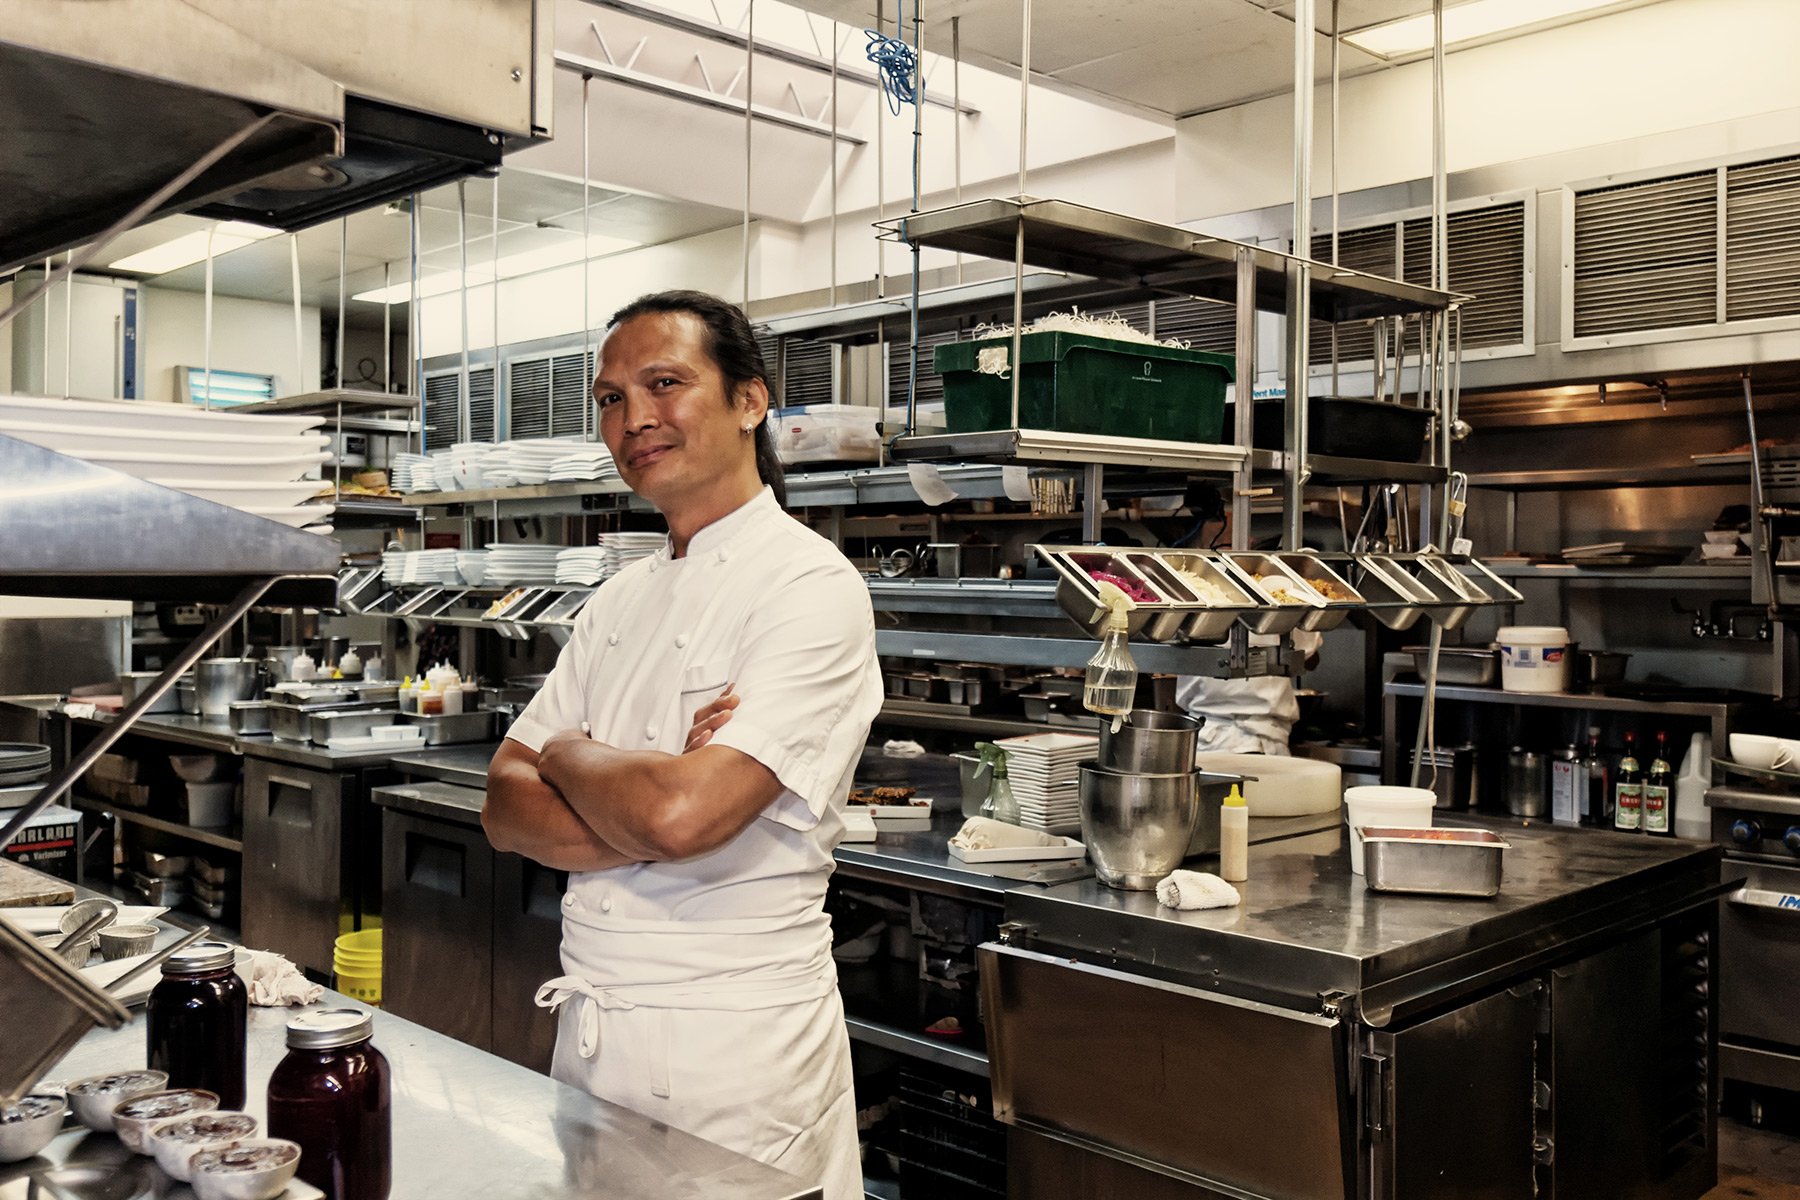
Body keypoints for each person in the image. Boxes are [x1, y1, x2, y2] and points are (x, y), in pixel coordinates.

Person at [482, 290, 883, 1199]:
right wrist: (653, 784)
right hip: (595, 1037)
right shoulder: (618, 598)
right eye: (612, 399)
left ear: (751, 400)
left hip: (732, 1058)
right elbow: (503, 808)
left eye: (665, 383)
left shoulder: (810, 587)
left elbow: (681, 812)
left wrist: (571, 756)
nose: (635, 419)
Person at [1176, 631, 1322, 755]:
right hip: (1260, 738)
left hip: (1208, 737)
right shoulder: (1286, 601)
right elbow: (1309, 657)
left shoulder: (1192, 603)